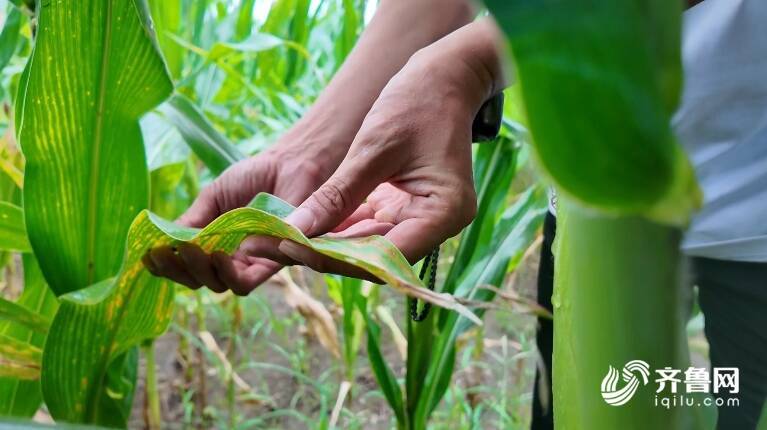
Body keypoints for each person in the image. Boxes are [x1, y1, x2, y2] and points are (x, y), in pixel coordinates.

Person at [147, 0, 767, 428]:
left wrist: (474, 61)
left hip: (755, 222)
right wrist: (311, 152)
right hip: (592, 210)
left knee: (733, 395)